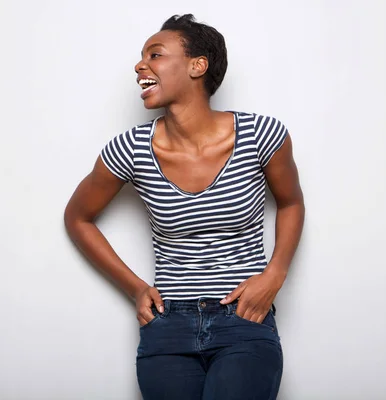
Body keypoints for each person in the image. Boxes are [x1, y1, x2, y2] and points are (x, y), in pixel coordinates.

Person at [64, 14, 305, 400]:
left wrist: (275, 274)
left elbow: (291, 202)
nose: (140, 65)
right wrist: (136, 289)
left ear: (197, 66)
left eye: (155, 54)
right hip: (167, 329)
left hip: (243, 320)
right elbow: (78, 218)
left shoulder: (263, 134)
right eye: (142, 57)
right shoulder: (130, 149)